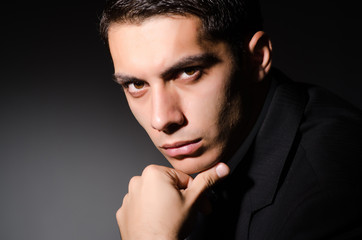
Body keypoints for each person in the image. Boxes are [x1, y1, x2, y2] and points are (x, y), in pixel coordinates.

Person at [99, 0, 362, 239]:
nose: (161, 119)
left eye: (188, 72)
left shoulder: (327, 196)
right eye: (135, 84)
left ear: (256, 59)